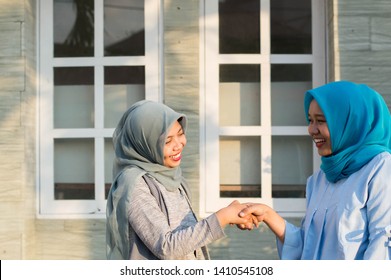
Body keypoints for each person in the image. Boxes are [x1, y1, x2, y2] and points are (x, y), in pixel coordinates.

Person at [239, 80, 391, 259]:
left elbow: (383, 242)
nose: (311, 129)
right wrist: (268, 215)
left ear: (351, 123)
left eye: (321, 121)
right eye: (310, 120)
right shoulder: (319, 179)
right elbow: (309, 247)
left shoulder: (380, 169)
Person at [106, 100, 252, 260]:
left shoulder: (173, 177)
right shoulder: (134, 184)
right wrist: (222, 218)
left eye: (180, 134)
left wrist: (231, 214)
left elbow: (187, 238)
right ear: (144, 143)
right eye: (167, 141)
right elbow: (166, 247)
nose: (178, 145)